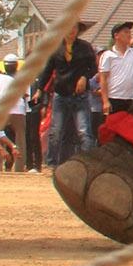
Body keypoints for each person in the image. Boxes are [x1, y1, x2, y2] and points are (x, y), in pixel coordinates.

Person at [37, 21, 99, 168]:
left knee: (84, 132)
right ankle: (51, 164)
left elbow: (94, 68)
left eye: (74, 28)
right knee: (55, 132)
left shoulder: (85, 47)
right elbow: (47, 71)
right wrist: (40, 89)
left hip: (80, 95)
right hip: (61, 94)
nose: (71, 30)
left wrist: (84, 77)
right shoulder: (55, 48)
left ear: (78, 30)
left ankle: (86, 164)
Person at [95, 20, 133, 122]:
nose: (129, 34)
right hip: (114, 98)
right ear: (116, 36)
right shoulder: (108, 55)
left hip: (131, 98)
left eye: (129, 32)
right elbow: (103, 78)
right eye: (125, 32)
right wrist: (105, 101)